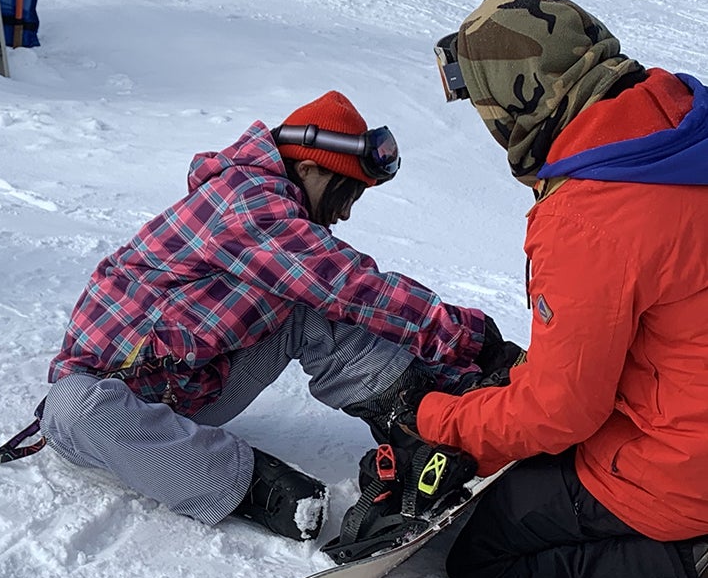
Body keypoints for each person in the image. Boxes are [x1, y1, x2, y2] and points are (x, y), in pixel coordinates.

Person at [35, 90, 508, 542]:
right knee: (72, 407)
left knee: (309, 307)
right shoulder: (248, 200)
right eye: (345, 193)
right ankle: (248, 484)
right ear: (308, 166)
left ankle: (422, 421)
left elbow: (337, 293)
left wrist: (460, 362)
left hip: (195, 385)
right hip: (120, 409)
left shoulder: (271, 203)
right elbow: (346, 281)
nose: (344, 212)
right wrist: (474, 340)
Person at [395, 0, 708, 578]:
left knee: (486, 557)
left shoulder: (592, 215)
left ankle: (694, 567)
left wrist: (437, 420)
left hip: (683, 465)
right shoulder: (681, 127)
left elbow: (561, 410)